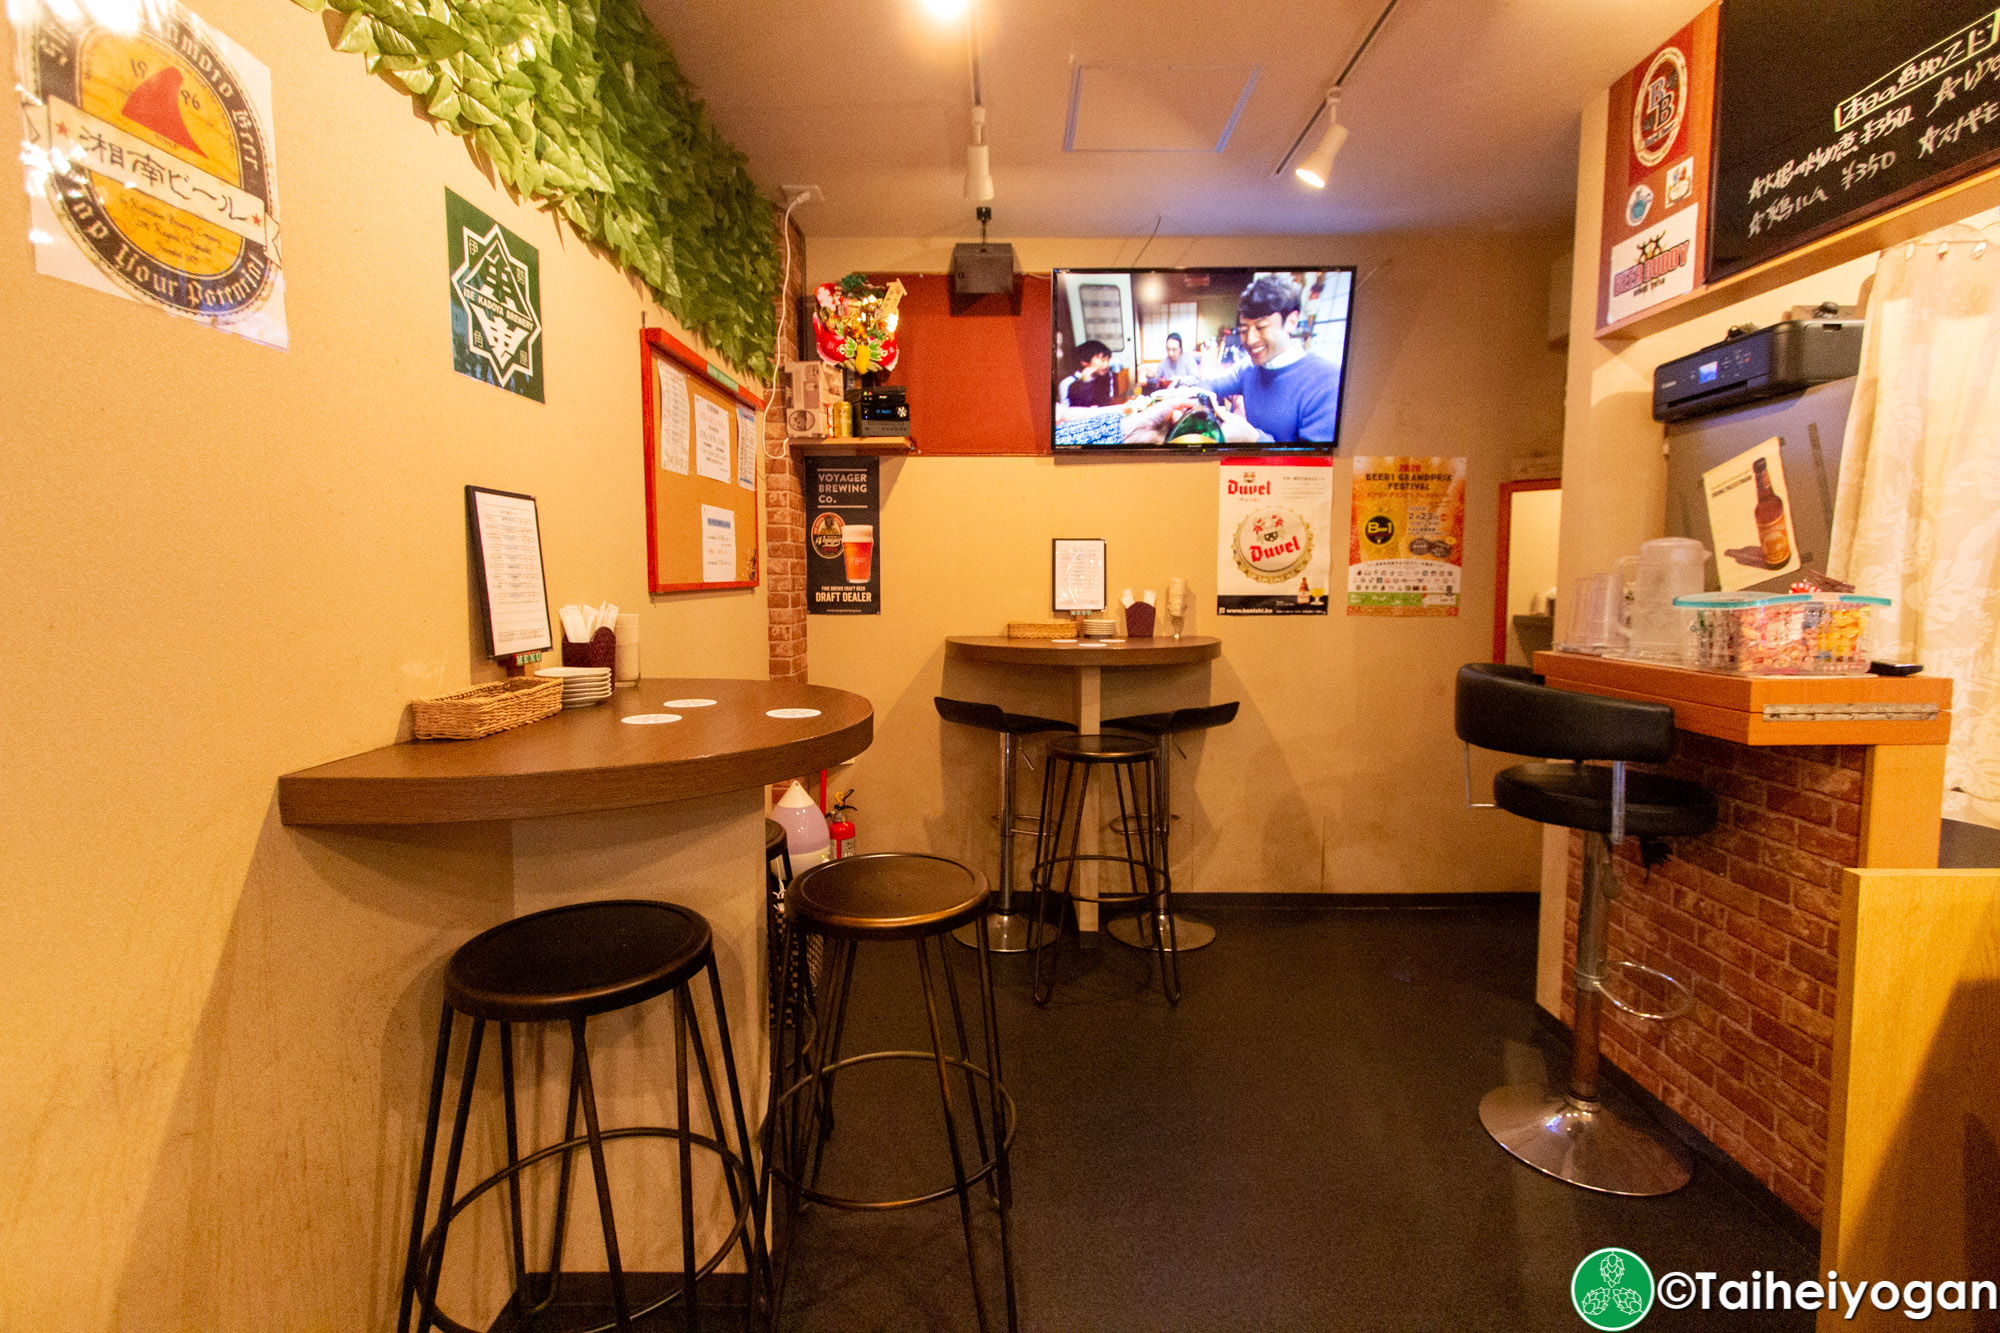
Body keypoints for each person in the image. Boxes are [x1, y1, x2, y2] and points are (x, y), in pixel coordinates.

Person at [1200, 273, 1343, 443]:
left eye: (1261, 327)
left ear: (1291, 321)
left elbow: (1317, 465)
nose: (1250, 340)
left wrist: (1253, 438)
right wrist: (1187, 392)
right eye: (1244, 330)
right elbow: (1210, 385)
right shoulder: (1247, 368)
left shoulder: (1327, 381)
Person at [1057, 340, 1118, 413]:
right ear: (1085, 361)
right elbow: (1066, 414)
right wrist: (1085, 383)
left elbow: (1106, 402)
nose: (1106, 365)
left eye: (1108, 360)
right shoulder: (1067, 383)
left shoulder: (1106, 376)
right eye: (1102, 360)